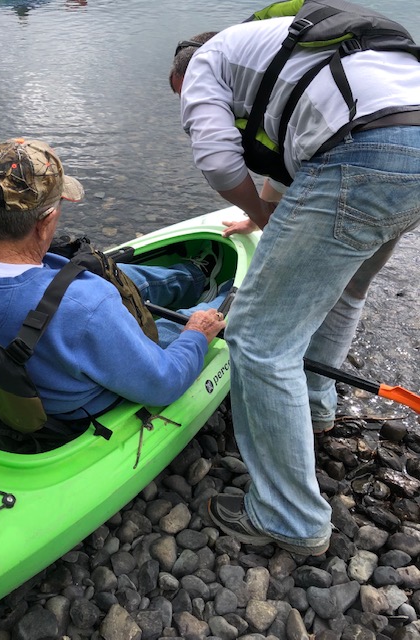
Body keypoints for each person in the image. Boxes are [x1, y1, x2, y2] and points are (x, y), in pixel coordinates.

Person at [170, 16, 420, 556]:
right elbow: (299, 139)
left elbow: (217, 158)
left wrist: (262, 213)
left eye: (183, 93)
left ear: (187, 68)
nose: (187, 103)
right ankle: (313, 406)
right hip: (406, 138)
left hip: (366, 153)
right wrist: (274, 218)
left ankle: (289, 516)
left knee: (258, 340)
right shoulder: (287, 48)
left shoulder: (205, 64)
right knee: (349, 284)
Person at [0, 137, 228, 425]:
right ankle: (225, 296)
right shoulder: (86, 306)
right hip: (74, 405)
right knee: (183, 325)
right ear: (46, 220)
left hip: (47, 339)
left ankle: (194, 274)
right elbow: (165, 383)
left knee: (120, 278)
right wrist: (196, 334)